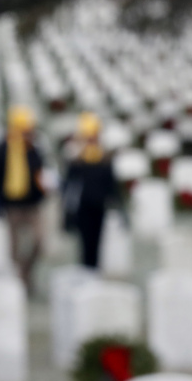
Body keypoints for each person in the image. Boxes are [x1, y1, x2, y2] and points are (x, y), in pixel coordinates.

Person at [0, 105, 47, 293]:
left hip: (32, 205)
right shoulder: (4, 150)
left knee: (39, 242)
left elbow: (40, 174)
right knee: (15, 248)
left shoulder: (34, 150)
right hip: (12, 206)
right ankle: (20, 282)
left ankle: (26, 273)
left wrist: (44, 189)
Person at [62, 112, 122, 269]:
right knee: (85, 244)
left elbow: (111, 185)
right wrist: (67, 213)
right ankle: (86, 271)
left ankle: (94, 270)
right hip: (83, 209)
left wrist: (117, 205)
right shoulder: (77, 160)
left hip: (99, 207)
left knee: (98, 243)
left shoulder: (104, 158)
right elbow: (69, 188)